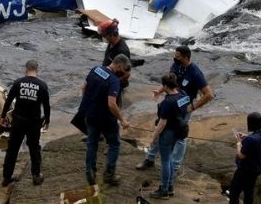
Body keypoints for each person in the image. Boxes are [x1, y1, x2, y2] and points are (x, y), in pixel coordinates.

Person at [136, 45, 214, 182]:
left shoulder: (195, 73)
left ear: (185, 57)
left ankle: (175, 166)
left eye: (178, 57)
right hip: (170, 103)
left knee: (180, 137)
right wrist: (159, 91)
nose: (175, 59)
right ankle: (150, 158)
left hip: (183, 108)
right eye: (175, 56)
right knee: (160, 127)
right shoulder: (176, 66)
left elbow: (208, 94)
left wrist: (193, 107)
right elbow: (169, 81)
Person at [80, 54, 131, 186]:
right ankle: (109, 174)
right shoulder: (114, 80)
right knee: (114, 144)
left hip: (90, 114)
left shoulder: (95, 69)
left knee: (92, 143)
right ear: (119, 65)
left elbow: (84, 87)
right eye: (124, 70)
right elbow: (111, 104)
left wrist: (87, 104)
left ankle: (90, 172)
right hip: (106, 119)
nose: (123, 73)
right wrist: (122, 120)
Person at [216, 112, 261, 204]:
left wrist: (239, 143)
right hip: (256, 170)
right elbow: (257, 141)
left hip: (245, 171)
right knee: (249, 193)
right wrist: (245, 137)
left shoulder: (251, 140)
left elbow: (241, 155)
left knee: (234, 195)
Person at [0, 59, 51, 186]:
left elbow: (8, 100)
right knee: (34, 148)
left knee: (12, 149)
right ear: (37, 70)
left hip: (18, 121)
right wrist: (47, 120)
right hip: (34, 123)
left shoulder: (18, 82)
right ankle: (36, 176)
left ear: (26, 70)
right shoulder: (42, 85)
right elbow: (46, 106)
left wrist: (2, 116)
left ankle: (6, 178)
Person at [148, 73, 190, 199]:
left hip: (168, 132)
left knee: (165, 161)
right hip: (179, 130)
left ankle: (164, 190)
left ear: (165, 86)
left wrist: (153, 137)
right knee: (170, 158)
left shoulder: (167, 102)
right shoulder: (183, 95)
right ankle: (170, 186)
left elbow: (162, 123)